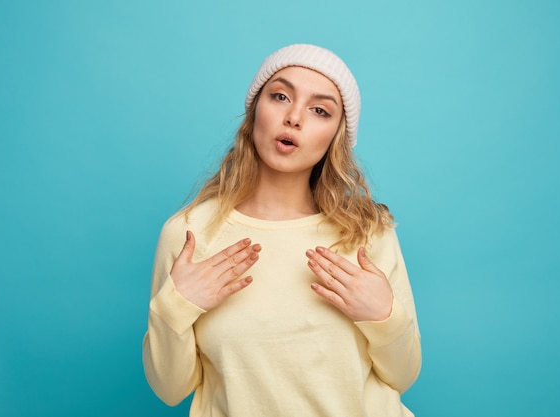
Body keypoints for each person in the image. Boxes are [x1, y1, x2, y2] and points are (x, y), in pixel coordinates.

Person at [142, 44, 421, 417]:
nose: (294, 117)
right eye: (280, 96)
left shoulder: (368, 233)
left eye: (319, 110)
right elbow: (170, 389)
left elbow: (402, 376)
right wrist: (175, 308)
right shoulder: (189, 234)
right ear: (255, 110)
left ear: (337, 135)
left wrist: (382, 314)